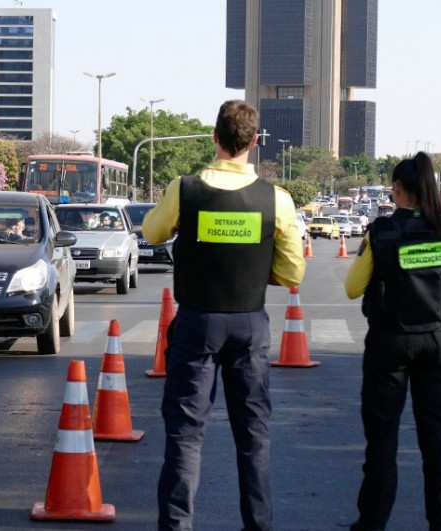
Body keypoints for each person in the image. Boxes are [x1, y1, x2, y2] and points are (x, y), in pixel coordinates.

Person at [142, 99, 305, 531]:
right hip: (250, 323)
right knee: (254, 435)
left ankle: (176, 525)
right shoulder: (278, 200)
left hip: (196, 322)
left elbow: (153, 232)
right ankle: (258, 525)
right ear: (255, 142)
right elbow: (292, 273)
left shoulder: (186, 188)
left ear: (214, 137)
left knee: (185, 435)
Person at [344, 152, 441, 531]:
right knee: (436, 444)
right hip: (436, 343)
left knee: (382, 443)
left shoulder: (380, 232)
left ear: (397, 188)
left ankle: (373, 523)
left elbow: (351, 288)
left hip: (390, 344)